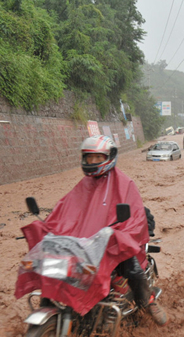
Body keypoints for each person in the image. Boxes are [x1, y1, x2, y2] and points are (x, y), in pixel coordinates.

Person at [19, 135, 168, 326]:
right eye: (89, 158)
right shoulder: (82, 186)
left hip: (111, 242)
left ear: (109, 157)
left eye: (98, 158)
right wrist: (47, 227)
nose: (93, 162)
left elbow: (135, 217)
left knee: (131, 265)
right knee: (52, 263)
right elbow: (64, 213)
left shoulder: (125, 184)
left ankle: (148, 303)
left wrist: (118, 233)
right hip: (86, 245)